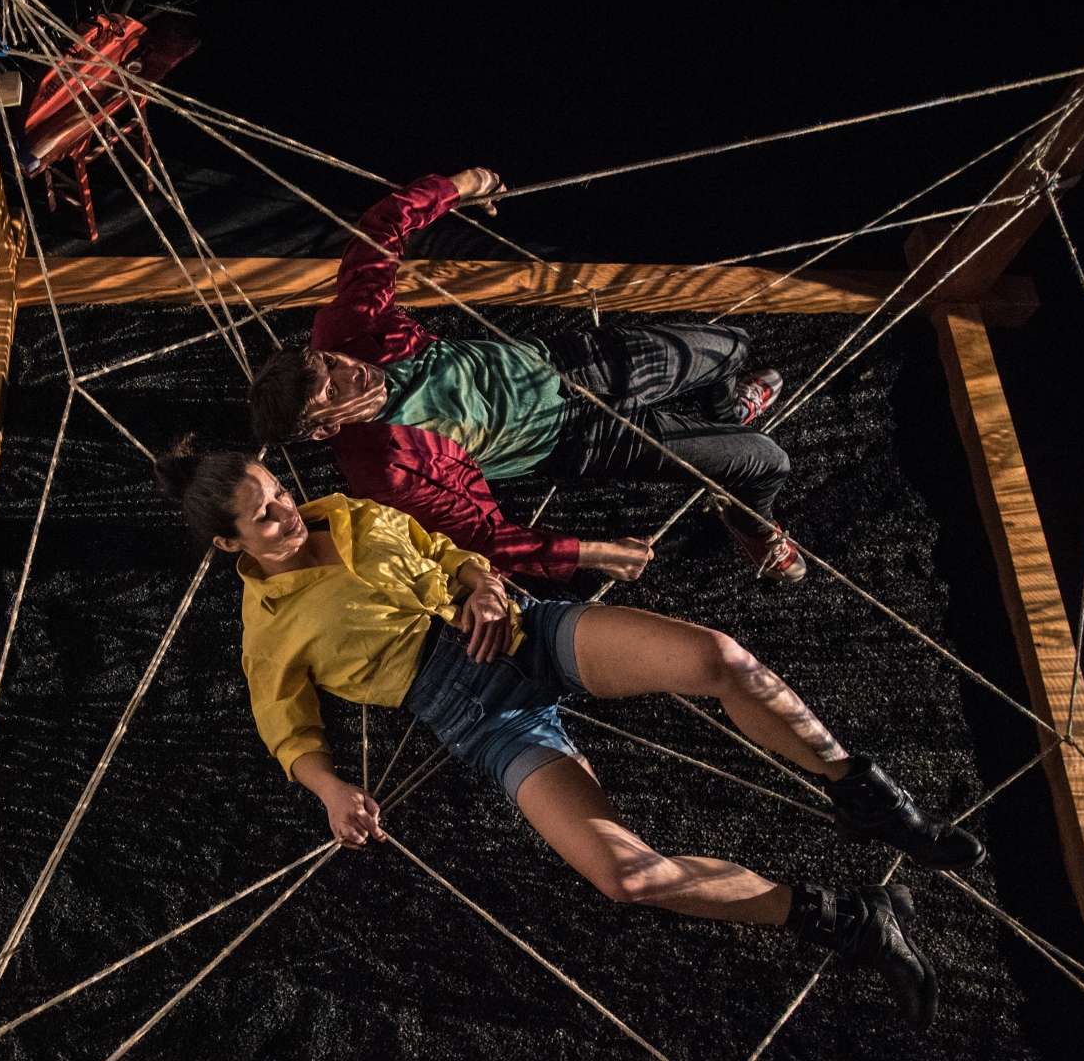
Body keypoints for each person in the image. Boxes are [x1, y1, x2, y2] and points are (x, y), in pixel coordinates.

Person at [155, 440, 985, 1027]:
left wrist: (480, 583)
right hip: (480, 718)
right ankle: (854, 921)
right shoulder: (266, 630)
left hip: (523, 629)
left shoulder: (353, 511)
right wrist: (332, 788)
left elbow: (445, 548)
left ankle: (867, 794)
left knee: (718, 658)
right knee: (624, 876)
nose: (286, 515)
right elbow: (283, 725)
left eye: (280, 494)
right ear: (229, 544)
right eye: (262, 519)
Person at [248, 167, 805, 585]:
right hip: (576, 441)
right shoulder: (387, 473)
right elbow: (487, 538)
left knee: (731, 347)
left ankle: (723, 415)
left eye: (329, 362)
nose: (349, 370)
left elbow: (379, 231)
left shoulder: (349, 328)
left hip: (569, 363)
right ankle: (751, 522)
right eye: (333, 389)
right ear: (324, 429)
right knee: (764, 459)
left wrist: (462, 184)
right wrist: (590, 551)